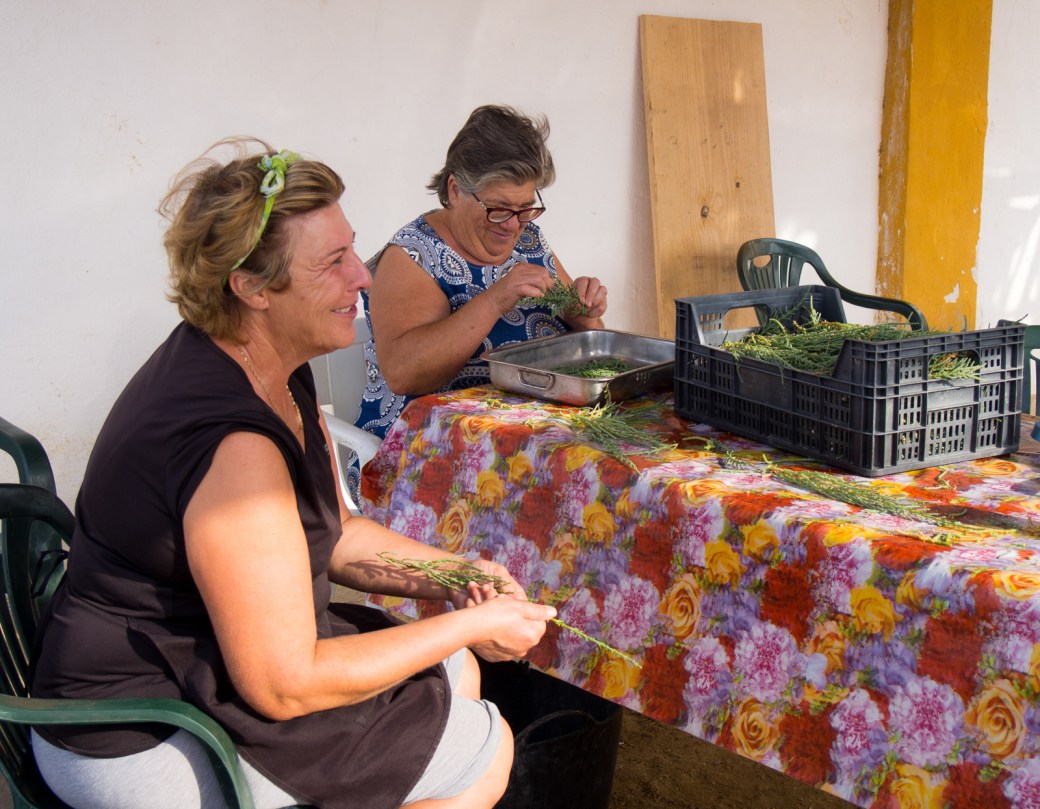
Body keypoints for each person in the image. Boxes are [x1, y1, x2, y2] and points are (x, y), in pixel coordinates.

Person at [29, 138, 556, 809]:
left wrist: (463, 577)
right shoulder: (233, 446)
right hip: (138, 725)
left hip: (208, 662)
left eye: (351, 250)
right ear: (250, 288)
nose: (361, 277)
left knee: (455, 673)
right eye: (332, 263)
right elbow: (285, 683)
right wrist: (466, 622)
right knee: (484, 747)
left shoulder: (270, 367)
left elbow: (335, 534)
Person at [355, 105, 609, 440]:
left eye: (525, 208)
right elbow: (403, 373)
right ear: (455, 190)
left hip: (536, 434)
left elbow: (586, 331)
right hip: (434, 450)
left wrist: (584, 312)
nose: (513, 224)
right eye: (499, 209)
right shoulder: (413, 256)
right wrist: (495, 300)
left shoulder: (528, 237)